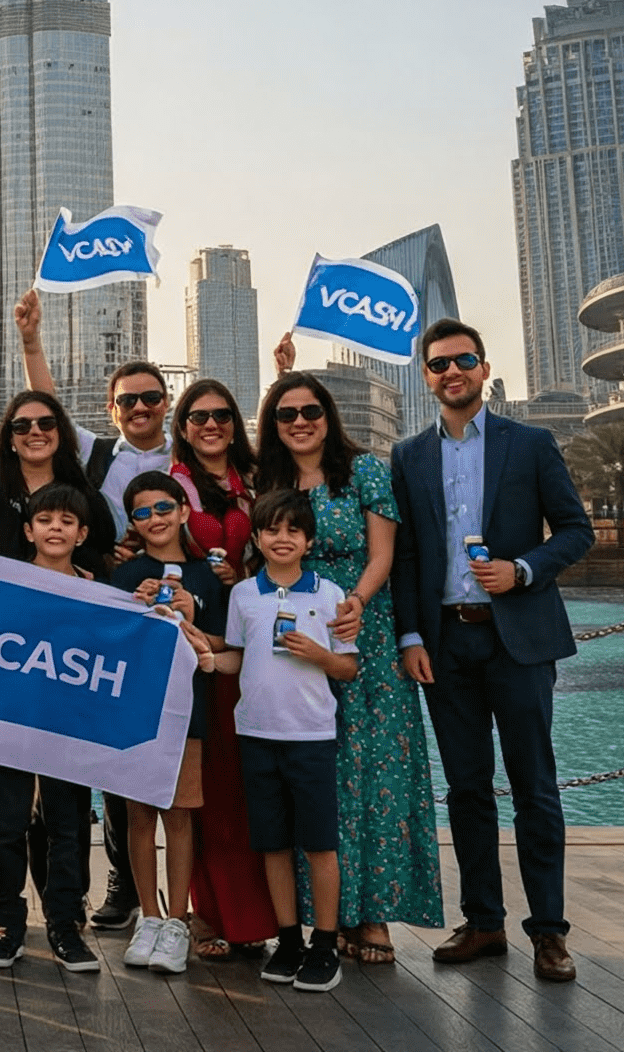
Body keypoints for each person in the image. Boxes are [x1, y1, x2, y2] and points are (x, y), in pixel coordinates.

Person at [390, 318, 595, 984]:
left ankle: (550, 932)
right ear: (426, 376)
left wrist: (523, 570)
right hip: (445, 643)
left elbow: (575, 530)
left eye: (462, 360)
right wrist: (411, 636)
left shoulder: (529, 444)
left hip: (520, 639)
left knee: (535, 786)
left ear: (483, 368)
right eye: (438, 364)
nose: (451, 372)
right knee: (466, 789)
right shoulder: (408, 456)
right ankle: (483, 921)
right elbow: (407, 556)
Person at [256, 360, 443, 964]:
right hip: (295, 639)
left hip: (363, 628)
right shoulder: (270, 481)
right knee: (316, 776)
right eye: (286, 413)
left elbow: (383, 553)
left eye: (311, 411)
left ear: (328, 416)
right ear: (272, 423)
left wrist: (357, 602)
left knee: (375, 774)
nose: (300, 421)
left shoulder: (364, 470)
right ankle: (320, 917)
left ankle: (373, 915)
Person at [13, 288, 176, 929]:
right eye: (127, 400)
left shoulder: (188, 451)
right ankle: (123, 885)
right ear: (112, 409)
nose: (139, 408)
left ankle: (191, 903)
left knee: (176, 750)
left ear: (167, 403)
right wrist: (31, 341)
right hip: (113, 604)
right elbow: (47, 406)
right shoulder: (100, 454)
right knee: (111, 743)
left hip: (182, 607)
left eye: (150, 397)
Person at [208, 487, 358, 995]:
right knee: (272, 844)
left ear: (309, 541)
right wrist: (204, 659)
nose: (283, 538)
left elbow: (348, 667)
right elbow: (235, 655)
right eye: (272, 529)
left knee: (319, 844)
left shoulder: (330, 594)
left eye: (294, 530)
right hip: (256, 735)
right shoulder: (243, 595)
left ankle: (325, 944)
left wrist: (319, 655)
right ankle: (289, 939)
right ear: (256, 537)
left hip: (310, 737)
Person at [166, 374, 276, 960]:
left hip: (253, 640)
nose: (211, 425)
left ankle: (259, 915)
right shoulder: (171, 485)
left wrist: (247, 572)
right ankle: (207, 911)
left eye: (222, 416)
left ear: (236, 425)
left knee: (248, 778)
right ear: (183, 429)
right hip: (194, 643)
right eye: (199, 417)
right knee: (202, 784)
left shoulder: (258, 484)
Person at [0, 484, 100, 975]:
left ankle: (64, 925)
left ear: (81, 534)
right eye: (45, 520)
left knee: (65, 829)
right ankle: (8, 924)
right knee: (8, 826)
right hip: (12, 723)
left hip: (68, 728)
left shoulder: (96, 590)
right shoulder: (6, 583)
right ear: (28, 530)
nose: (55, 528)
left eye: (66, 521)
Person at [110, 472, 221, 976]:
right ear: (132, 522)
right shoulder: (124, 575)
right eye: (141, 512)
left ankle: (177, 919)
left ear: (182, 510)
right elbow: (107, 640)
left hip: (185, 714)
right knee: (138, 816)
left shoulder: (207, 576)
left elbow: (223, 646)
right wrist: (133, 607)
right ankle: (148, 917)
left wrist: (190, 613)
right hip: (134, 712)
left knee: (179, 816)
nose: (154, 519)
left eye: (162, 508)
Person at [0, 387, 115, 579]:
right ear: (11, 439)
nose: (35, 431)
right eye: (22, 425)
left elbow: (104, 565)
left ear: (60, 432)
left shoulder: (89, 500)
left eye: (46, 423)